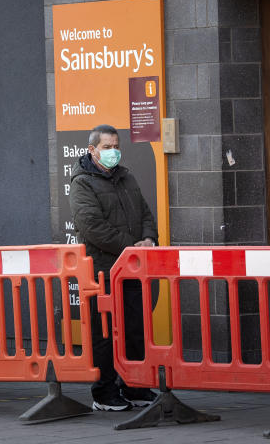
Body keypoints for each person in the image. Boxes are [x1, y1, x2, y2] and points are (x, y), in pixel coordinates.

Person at [69, 124, 158, 411]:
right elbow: (93, 227)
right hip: (104, 271)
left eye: (116, 146)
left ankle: (136, 387)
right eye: (106, 147)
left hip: (132, 270)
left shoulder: (126, 177)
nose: (113, 152)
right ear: (92, 150)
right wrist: (132, 246)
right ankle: (104, 394)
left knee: (135, 329)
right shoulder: (82, 182)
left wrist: (148, 238)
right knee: (104, 334)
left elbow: (145, 212)